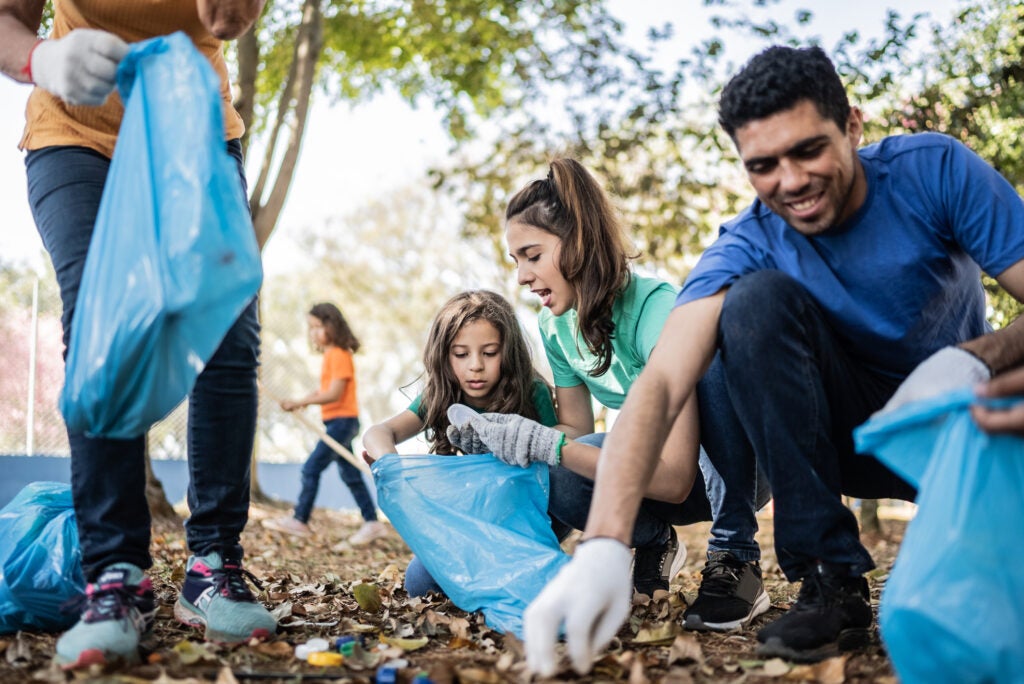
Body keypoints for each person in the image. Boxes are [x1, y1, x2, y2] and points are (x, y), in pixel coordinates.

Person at [520, 45, 1024, 675]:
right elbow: (664, 381)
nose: (789, 181)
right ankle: (828, 578)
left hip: (961, 425)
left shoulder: (934, 172)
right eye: (763, 164)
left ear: (854, 127)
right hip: (840, 439)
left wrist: (976, 361)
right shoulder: (749, 242)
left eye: (808, 150)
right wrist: (603, 541)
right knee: (749, 303)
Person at [0, 0, 277, 669]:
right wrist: (43, 58)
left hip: (194, 131)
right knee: (100, 321)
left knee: (228, 333)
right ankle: (114, 577)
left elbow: (233, 18)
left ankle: (213, 563)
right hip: (75, 132)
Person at [447, 157, 771, 607]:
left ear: (578, 242)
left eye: (533, 256)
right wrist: (506, 436)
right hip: (653, 469)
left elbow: (676, 477)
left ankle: (737, 556)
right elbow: (574, 436)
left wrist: (550, 446)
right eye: (516, 260)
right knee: (557, 473)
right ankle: (654, 540)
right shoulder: (555, 326)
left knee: (710, 337)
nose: (521, 276)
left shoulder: (656, 308)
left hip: (729, 470)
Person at [361, 289, 559, 596]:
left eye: (490, 353)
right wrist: (391, 464)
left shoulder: (532, 392)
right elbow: (378, 432)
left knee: (527, 582)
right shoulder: (441, 394)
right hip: (475, 520)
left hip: (529, 517)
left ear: (508, 352)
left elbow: (558, 465)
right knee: (419, 582)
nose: (475, 365)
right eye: (461, 354)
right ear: (444, 355)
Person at [263, 303, 386, 546]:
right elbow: (324, 391)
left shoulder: (339, 354)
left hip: (342, 422)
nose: (313, 333)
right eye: (311, 328)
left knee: (311, 468)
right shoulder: (332, 356)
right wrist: (300, 403)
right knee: (350, 474)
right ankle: (372, 522)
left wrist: (302, 400)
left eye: (318, 326)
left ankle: (300, 519)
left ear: (332, 326)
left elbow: (334, 394)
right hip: (338, 422)